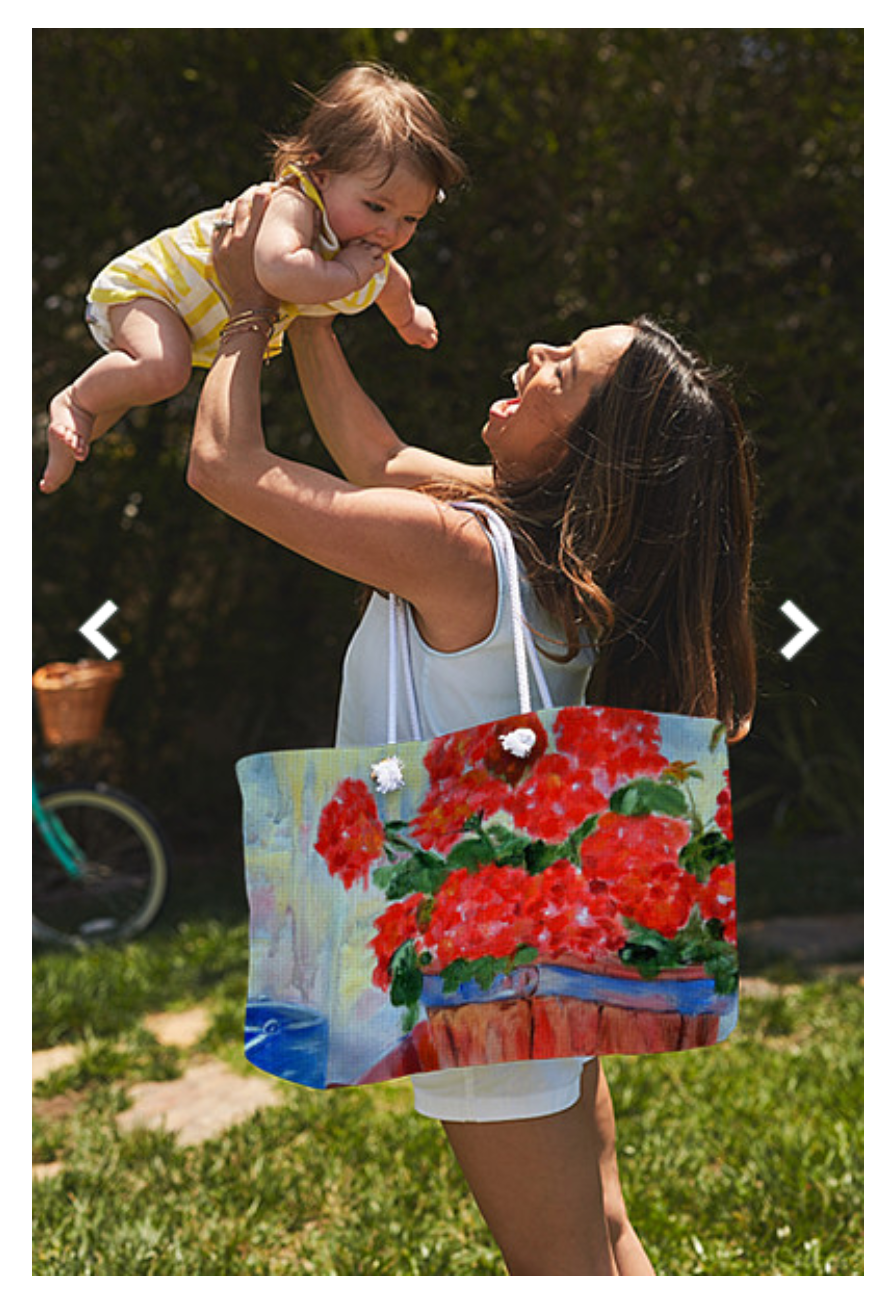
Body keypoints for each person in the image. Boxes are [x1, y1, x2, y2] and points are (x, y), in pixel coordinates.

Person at [187, 188, 757, 1276]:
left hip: (478, 985)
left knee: (563, 1274)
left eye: (565, 372)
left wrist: (248, 312)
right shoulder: (557, 558)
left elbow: (223, 466)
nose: (538, 353)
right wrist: (312, 305)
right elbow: (374, 456)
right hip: (539, 960)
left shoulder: (462, 550)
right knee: (605, 1238)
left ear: (592, 450)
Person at [41, 63, 466, 494]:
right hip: (155, 290)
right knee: (162, 370)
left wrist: (408, 317)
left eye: (410, 218)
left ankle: (67, 444)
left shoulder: (362, 245)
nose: (390, 231)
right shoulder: (295, 204)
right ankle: (73, 401)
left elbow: (390, 282)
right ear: (320, 173)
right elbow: (278, 271)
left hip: (186, 321)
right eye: (376, 207)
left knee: (139, 385)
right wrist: (347, 272)